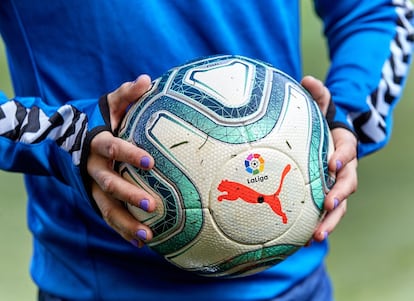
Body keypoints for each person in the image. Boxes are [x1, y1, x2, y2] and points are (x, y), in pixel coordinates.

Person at [0, 1, 412, 300]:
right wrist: (65, 135)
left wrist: (348, 118)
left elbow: (377, 9)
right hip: (99, 284)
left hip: (290, 280)